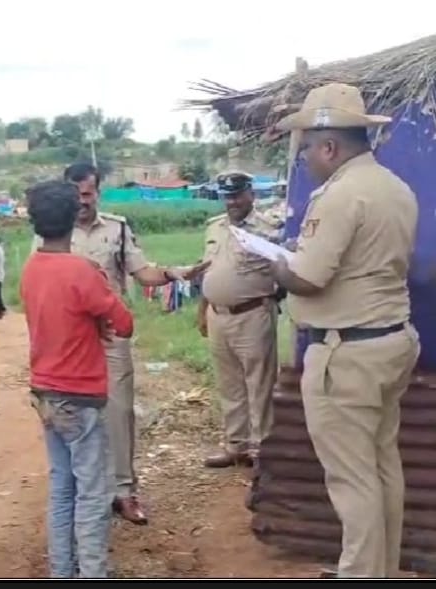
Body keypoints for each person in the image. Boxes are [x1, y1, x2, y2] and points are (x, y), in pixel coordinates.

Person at [271, 82, 419, 578]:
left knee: (352, 480)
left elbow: (310, 277)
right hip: (391, 341)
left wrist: (276, 266)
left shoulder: (338, 195)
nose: (306, 157)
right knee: (381, 467)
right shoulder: (395, 187)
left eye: (308, 146)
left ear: (329, 146)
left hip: (347, 355)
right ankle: (381, 568)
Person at [32, 162, 208, 525]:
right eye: (76, 194)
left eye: (89, 193)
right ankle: (84, 494)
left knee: (119, 413)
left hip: (110, 336)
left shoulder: (117, 228)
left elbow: (141, 272)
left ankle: (124, 491)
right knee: (73, 418)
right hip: (71, 341)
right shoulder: (51, 234)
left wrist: (172, 274)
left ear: (98, 192)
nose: (83, 200)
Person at [21, 180, 134, 578]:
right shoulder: (81, 271)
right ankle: (93, 571)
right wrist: (101, 311)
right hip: (81, 394)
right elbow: (124, 323)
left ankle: (62, 569)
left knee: (62, 486)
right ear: (74, 217)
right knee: (93, 491)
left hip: (46, 391)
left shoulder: (32, 267)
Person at [197, 171, 282, 468]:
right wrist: (202, 311)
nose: (232, 202)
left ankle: (262, 449)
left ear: (251, 194)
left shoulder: (268, 230)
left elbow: (285, 267)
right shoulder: (214, 228)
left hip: (253, 314)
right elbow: (207, 271)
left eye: (237, 195)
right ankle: (236, 445)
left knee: (259, 385)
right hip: (218, 314)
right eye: (227, 196)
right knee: (229, 384)